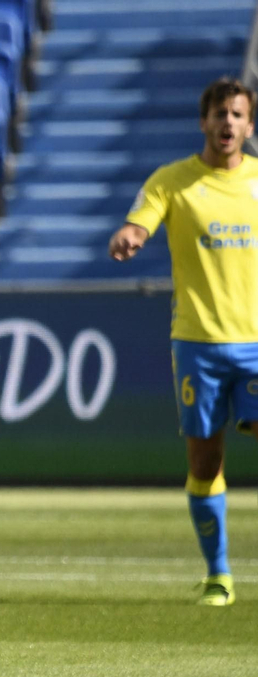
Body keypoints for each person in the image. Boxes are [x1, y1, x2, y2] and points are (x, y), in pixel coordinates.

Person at [110, 77, 258, 607]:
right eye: (220, 113)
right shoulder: (173, 181)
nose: (228, 123)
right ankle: (219, 574)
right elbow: (140, 221)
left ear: (249, 123)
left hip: (256, 342)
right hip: (198, 342)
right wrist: (131, 235)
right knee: (204, 462)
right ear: (204, 121)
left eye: (237, 114)